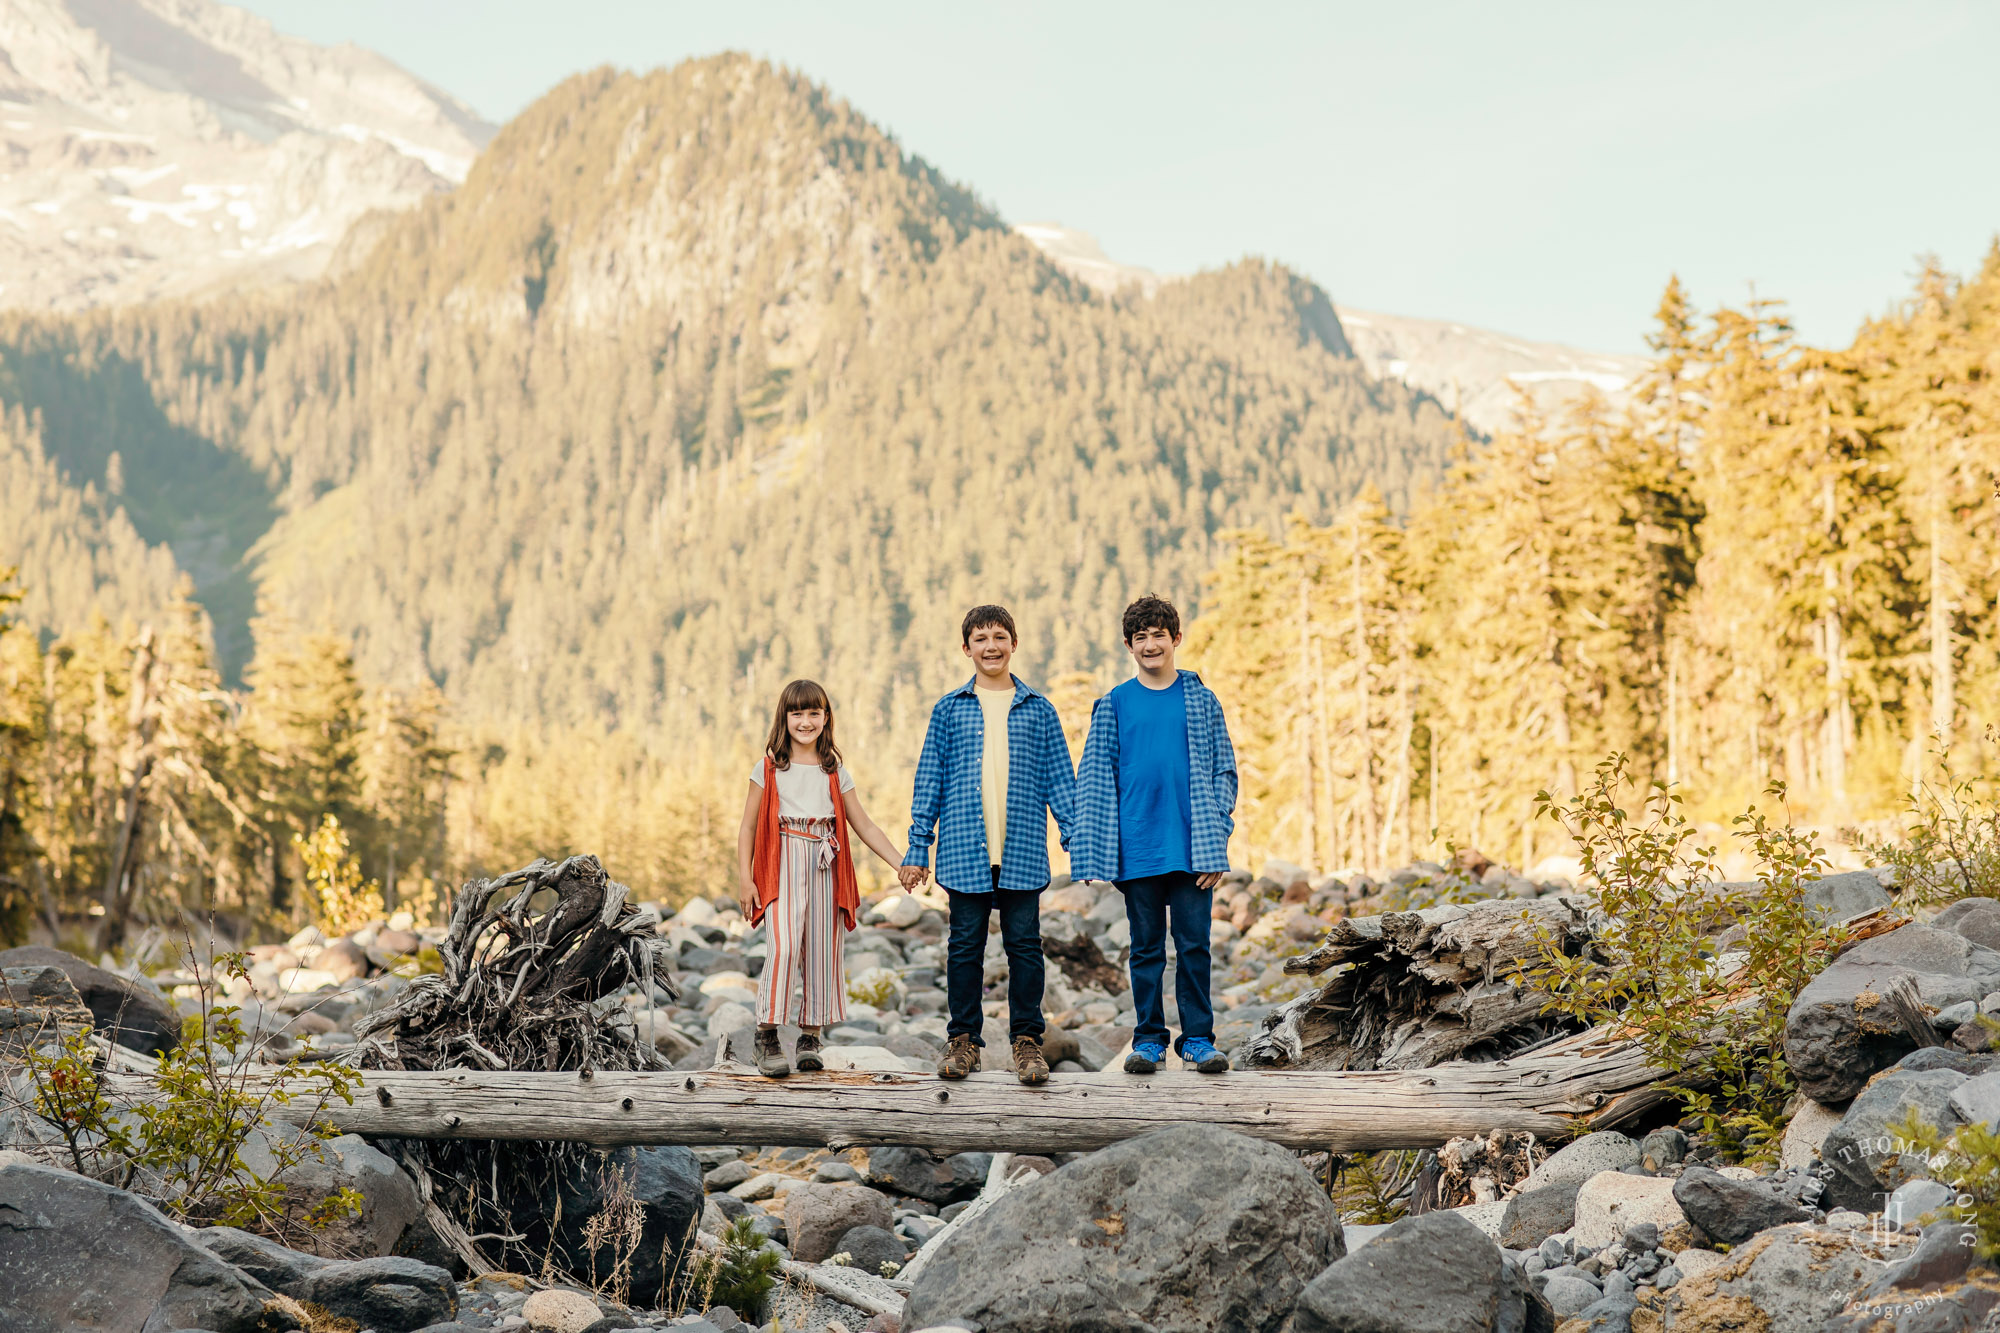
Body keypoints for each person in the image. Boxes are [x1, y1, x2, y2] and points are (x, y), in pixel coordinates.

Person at [904, 604, 1077, 1085]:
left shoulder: (1038, 709)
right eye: (980, 639)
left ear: (1014, 644)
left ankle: (1027, 1042)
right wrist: (919, 845)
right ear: (967, 649)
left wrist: (1077, 840)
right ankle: (963, 1041)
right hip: (963, 848)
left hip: (1021, 847)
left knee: (1025, 947)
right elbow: (929, 780)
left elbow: (1061, 780)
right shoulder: (950, 709)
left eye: (1000, 636)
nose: (991, 646)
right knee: (964, 947)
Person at [1072, 594, 1239, 1074]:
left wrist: (1217, 834)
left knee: (1193, 947)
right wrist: (1089, 848)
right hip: (1137, 845)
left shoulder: (1201, 699)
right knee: (1145, 948)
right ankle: (1148, 1040)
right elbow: (1095, 776)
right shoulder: (1115, 704)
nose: (1150, 645)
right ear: (1129, 645)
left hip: (1192, 849)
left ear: (1176, 639)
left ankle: (1198, 1040)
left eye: (1158, 636)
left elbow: (1223, 771)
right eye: (1140, 637)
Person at [736, 678, 920, 1079]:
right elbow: (748, 826)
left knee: (821, 950)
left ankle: (810, 1036)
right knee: (783, 947)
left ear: (826, 717)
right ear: (784, 719)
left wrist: (901, 863)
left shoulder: (835, 771)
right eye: (797, 713)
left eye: (813, 712)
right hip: (782, 859)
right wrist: (745, 879)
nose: (805, 721)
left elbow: (864, 825)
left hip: (825, 862)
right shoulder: (768, 768)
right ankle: (767, 1033)